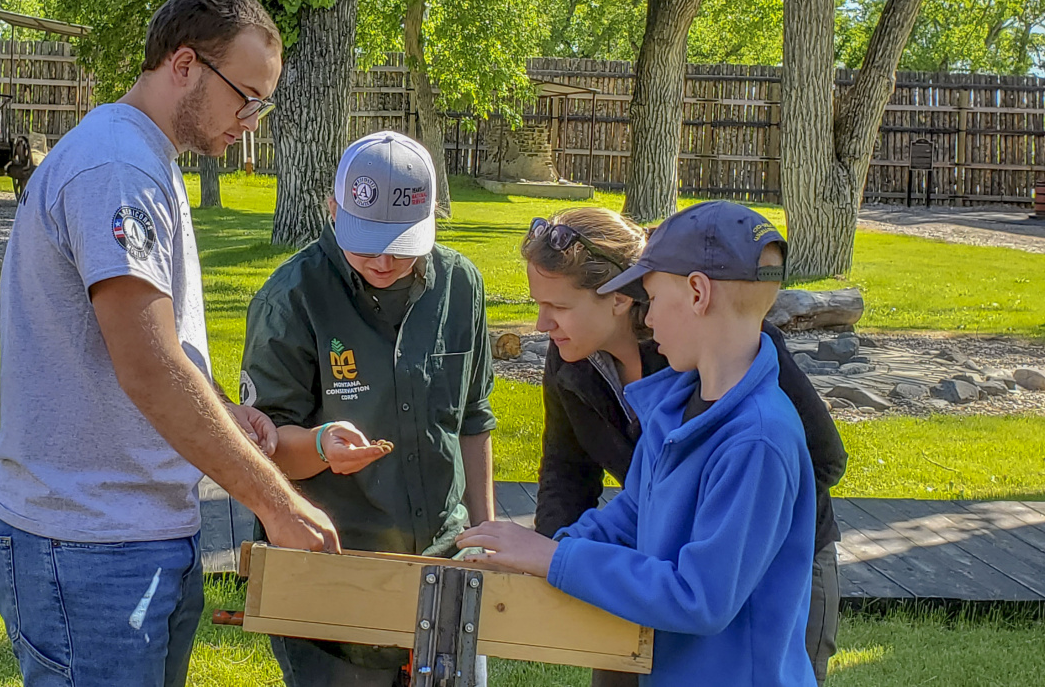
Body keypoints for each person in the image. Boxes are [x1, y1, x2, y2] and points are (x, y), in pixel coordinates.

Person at [0, 0, 340, 687]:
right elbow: (146, 367)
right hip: (86, 547)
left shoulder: (145, 160)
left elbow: (166, 348)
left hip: (130, 535)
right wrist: (276, 500)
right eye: (248, 96)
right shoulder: (117, 168)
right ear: (184, 65)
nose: (254, 119)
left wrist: (227, 417)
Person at [459, 201, 820, 687]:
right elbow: (631, 511)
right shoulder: (670, 405)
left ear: (696, 293)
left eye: (653, 295)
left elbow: (700, 597)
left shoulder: (759, 439)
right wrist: (547, 550)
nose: (648, 321)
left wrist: (557, 559)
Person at [240, 131, 496, 687]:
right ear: (332, 211)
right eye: (366, 243)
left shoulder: (461, 284)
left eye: (403, 244)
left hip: (446, 566)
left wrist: (486, 533)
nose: (384, 260)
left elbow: (473, 419)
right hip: (335, 573)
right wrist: (321, 446)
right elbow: (261, 450)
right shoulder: (290, 299)